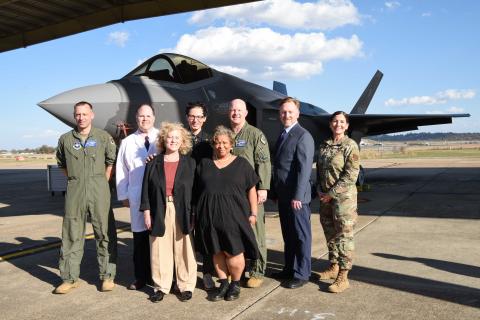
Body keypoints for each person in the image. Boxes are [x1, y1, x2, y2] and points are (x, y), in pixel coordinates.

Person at [54, 101, 117, 294]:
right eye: (78, 114)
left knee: (104, 233)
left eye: (84, 114)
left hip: (99, 189)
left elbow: (110, 162)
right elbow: (62, 164)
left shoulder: (103, 137)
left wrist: (100, 182)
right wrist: (77, 180)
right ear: (75, 116)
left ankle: (107, 276)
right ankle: (69, 278)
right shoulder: (65, 139)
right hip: (75, 190)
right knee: (71, 233)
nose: (81, 118)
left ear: (92, 115)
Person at [194, 126, 259, 302]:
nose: (220, 146)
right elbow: (196, 191)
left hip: (235, 217)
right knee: (216, 252)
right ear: (213, 145)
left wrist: (253, 213)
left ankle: (235, 284)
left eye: (224, 143)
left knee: (234, 252)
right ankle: (223, 283)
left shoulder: (242, 164)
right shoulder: (204, 164)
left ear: (231, 145)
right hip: (209, 217)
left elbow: (252, 190)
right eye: (217, 142)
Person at [140, 122, 197, 303]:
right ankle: (161, 286)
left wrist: (194, 214)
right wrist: (147, 212)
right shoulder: (153, 163)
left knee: (184, 248)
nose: (173, 140)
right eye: (170, 137)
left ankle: (185, 285)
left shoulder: (190, 163)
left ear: (182, 142)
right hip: (159, 208)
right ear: (164, 140)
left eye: (177, 138)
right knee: (159, 249)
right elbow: (145, 190)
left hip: (182, 210)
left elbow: (195, 191)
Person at [271, 97, 315, 289]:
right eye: (283, 112)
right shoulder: (283, 134)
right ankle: (289, 268)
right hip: (284, 195)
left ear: (298, 114)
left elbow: (304, 169)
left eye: (290, 112)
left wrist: (298, 196)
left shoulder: (303, 135)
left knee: (301, 236)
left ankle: (302, 273)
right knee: (288, 235)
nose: (286, 115)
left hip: (297, 198)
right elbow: (280, 167)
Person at [229, 98, 271, 288]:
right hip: (231, 194)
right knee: (235, 233)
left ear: (246, 113)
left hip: (251, 192)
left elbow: (263, 161)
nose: (236, 113)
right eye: (233, 110)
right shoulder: (226, 134)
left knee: (255, 232)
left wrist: (263, 187)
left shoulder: (255, 134)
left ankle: (257, 270)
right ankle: (238, 268)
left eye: (239, 110)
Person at [316, 111, 360, 293]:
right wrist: (319, 188)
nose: (338, 124)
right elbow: (319, 170)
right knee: (330, 232)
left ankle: (343, 274)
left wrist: (331, 193)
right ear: (330, 124)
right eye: (335, 121)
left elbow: (351, 174)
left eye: (342, 122)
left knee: (344, 235)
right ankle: (333, 265)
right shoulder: (325, 145)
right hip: (325, 198)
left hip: (343, 200)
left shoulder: (350, 145)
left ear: (347, 125)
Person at [116, 104, 158, 290]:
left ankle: (161, 277)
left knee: (158, 239)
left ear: (154, 118)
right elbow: (121, 171)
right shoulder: (127, 142)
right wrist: (123, 194)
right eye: (141, 116)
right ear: (136, 118)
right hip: (136, 196)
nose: (145, 119)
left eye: (148, 116)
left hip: (158, 196)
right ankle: (141, 277)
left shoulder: (162, 138)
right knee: (140, 239)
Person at [185, 102, 215, 291]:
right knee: (185, 236)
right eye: (192, 116)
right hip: (185, 195)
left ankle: (208, 274)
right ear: (187, 117)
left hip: (203, 195)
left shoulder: (210, 142)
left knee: (205, 237)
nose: (195, 120)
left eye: (199, 116)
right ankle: (186, 273)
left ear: (204, 118)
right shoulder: (180, 139)